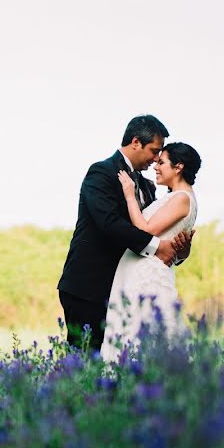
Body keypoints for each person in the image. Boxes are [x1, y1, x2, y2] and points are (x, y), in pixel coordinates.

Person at [57, 115, 193, 350]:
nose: (156, 159)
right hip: (90, 287)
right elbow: (109, 223)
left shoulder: (148, 187)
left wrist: (180, 250)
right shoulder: (101, 173)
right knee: (84, 366)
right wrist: (157, 246)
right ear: (136, 142)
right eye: (154, 151)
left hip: (126, 290)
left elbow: (158, 236)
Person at [100, 142, 200, 363]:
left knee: (139, 336)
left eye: (162, 162)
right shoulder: (172, 197)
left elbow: (144, 230)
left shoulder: (182, 198)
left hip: (147, 277)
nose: (156, 165)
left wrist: (129, 196)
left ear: (179, 167)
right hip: (138, 272)